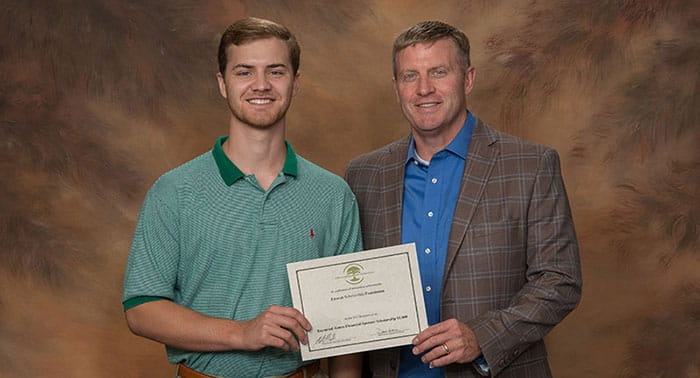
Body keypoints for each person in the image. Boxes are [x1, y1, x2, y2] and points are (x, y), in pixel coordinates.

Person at [122, 17, 363, 378]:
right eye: (244, 72)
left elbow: (349, 320)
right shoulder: (174, 191)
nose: (261, 85)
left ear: (295, 83)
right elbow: (141, 309)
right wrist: (243, 333)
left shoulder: (332, 194)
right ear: (223, 84)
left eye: (276, 71)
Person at [345, 21, 582, 377]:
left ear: (467, 79)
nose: (424, 89)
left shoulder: (530, 165)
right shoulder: (364, 175)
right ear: (396, 88)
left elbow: (559, 280)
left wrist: (483, 337)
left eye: (439, 72)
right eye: (410, 76)